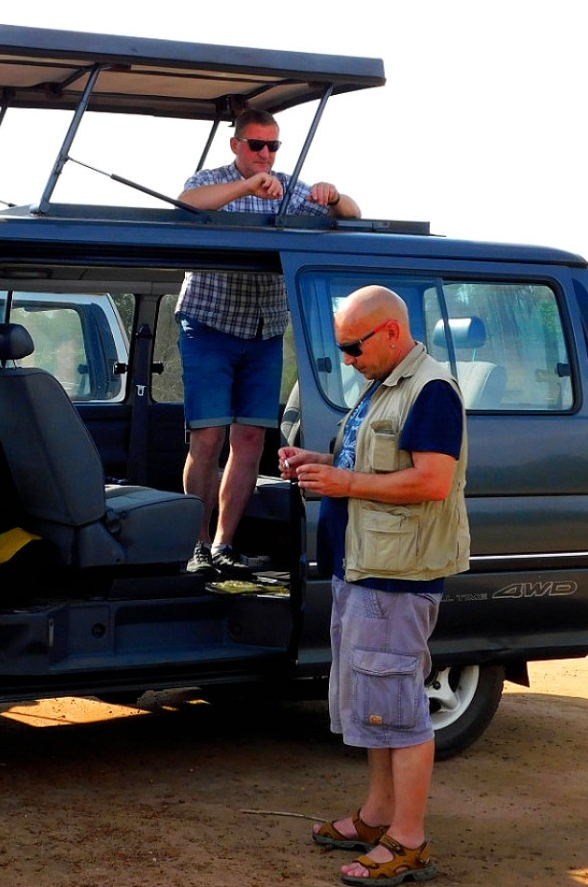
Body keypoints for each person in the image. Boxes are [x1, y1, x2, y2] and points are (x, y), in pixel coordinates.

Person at [278, 285, 469, 884]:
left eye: (354, 347)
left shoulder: (431, 389)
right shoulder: (384, 385)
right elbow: (373, 467)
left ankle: (409, 840)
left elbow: (432, 482)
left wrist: (341, 483)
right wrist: (318, 462)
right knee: (375, 706)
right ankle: (377, 816)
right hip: (364, 567)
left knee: (398, 707)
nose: (349, 360)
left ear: (389, 331)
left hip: (396, 575)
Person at [177, 109, 361, 577]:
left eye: (273, 147)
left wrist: (332, 196)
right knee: (208, 437)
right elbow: (188, 201)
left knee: (251, 440)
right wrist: (247, 188)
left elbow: (355, 215)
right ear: (236, 145)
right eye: (256, 145)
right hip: (209, 325)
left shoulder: (291, 189)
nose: (265, 155)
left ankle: (224, 544)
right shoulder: (213, 180)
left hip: (263, 331)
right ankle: (195, 544)